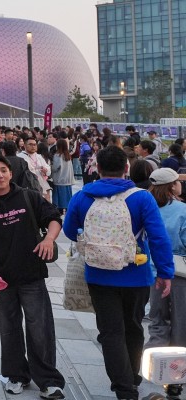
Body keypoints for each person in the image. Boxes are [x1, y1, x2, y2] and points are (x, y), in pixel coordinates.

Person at [63, 145, 174, 400]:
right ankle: (132, 375)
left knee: (110, 332)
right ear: (126, 168)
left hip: (99, 275)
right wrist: (165, 272)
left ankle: (124, 388)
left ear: (98, 168)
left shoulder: (83, 196)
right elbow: (158, 237)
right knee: (133, 326)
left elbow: (70, 231)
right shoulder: (141, 197)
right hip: (136, 273)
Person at [0, 154, 66, 399]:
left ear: (11, 173)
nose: (0, 175)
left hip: (31, 274)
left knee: (40, 328)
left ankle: (48, 380)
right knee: (9, 328)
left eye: (4, 170)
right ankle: (16, 376)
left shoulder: (28, 196)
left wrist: (48, 239)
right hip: (3, 279)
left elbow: (54, 219)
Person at [144, 168, 186, 398]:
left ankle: (152, 370)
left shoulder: (146, 207)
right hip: (178, 275)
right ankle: (175, 378)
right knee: (180, 325)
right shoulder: (182, 210)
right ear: (172, 186)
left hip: (151, 271)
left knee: (157, 321)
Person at [18, 137, 52, 201]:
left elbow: (47, 168)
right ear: (25, 145)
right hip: (28, 185)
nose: (33, 146)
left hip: (41, 182)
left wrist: (46, 170)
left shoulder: (39, 156)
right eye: (30, 144)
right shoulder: (20, 156)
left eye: (34, 144)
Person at [51, 139, 74, 213]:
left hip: (59, 179)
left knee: (59, 198)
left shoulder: (57, 155)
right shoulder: (68, 155)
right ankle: (67, 209)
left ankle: (59, 210)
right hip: (67, 179)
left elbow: (55, 167)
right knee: (67, 197)